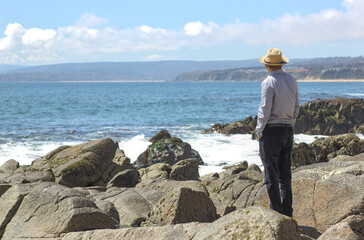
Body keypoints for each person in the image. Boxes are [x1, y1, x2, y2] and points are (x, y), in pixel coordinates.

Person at [255, 48, 299, 217]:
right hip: (288, 130)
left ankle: (277, 215)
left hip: (271, 131)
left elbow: (264, 110)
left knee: (271, 175)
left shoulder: (268, 82)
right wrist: (290, 123)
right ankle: (288, 214)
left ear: (267, 65)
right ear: (281, 63)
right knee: (285, 176)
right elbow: (296, 107)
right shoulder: (292, 80)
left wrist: (259, 131)